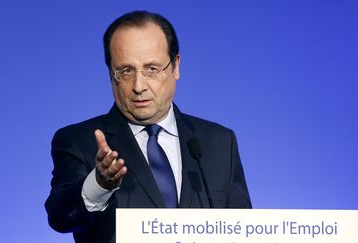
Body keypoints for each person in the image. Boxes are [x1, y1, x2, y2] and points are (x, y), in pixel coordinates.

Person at [45, 10, 252, 243]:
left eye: (152, 69)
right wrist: (99, 184)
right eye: (126, 71)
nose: (139, 86)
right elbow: (60, 216)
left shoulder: (220, 141)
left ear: (175, 66)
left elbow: (243, 230)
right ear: (110, 74)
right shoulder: (79, 141)